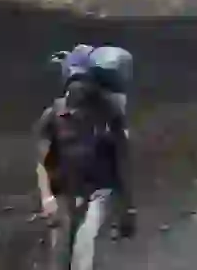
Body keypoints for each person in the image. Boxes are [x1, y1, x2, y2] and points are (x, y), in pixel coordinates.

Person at [35, 73, 135, 270]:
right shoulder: (54, 117)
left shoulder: (108, 116)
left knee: (85, 245)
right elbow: (43, 162)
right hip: (64, 191)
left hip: (98, 191)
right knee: (61, 253)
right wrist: (47, 198)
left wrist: (127, 207)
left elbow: (121, 162)